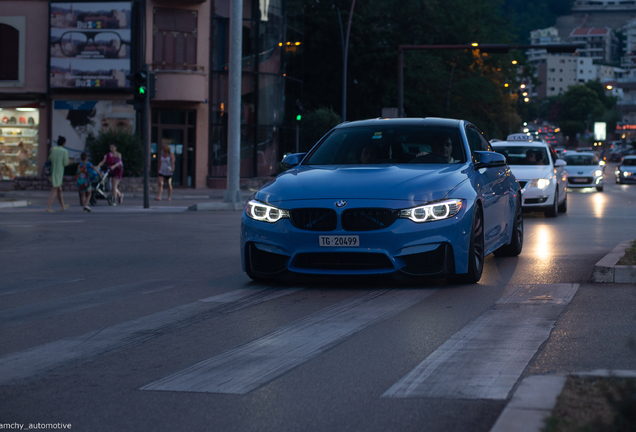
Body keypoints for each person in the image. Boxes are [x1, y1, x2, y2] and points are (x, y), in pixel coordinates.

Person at [45, 136, 70, 213]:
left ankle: (63, 205)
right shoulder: (64, 151)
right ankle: (48, 207)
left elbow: (49, 159)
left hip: (53, 171)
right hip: (59, 172)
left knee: (59, 189)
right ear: (64, 143)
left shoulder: (53, 149)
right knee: (54, 189)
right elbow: (66, 163)